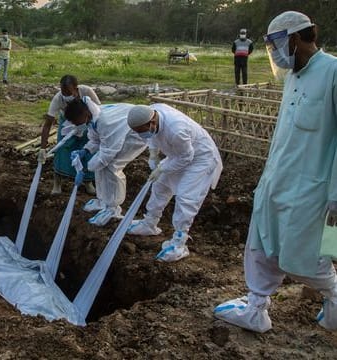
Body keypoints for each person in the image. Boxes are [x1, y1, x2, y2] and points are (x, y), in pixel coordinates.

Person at [214, 11, 337, 333]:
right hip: (276, 180)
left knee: (305, 255)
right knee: (260, 243)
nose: (276, 55)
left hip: (313, 188)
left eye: (276, 46)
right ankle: (256, 307)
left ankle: (334, 296)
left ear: (294, 40)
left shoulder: (333, 72)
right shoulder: (294, 77)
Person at [125, 104, 222, 262]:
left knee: (186, 197)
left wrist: (162, 169)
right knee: (160, 185)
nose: (141, 135)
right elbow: (153, 137)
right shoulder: (151, 112)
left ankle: (179, 242)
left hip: (200, 158)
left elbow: (186, 157)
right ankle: (150, 223)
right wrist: (153, 154)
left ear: (152, 123)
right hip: (178, 154)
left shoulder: (176, 129)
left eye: (142, 131)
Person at [67, 100, 147, 226]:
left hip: (135, 134)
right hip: (116, 135)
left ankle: (113, 208)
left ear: (83, 115)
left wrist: (86, 169)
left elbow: (107, 154)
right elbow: (96, 139)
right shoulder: (92, 117)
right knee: (100, 165)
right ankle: (103, 200)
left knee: (112, 166)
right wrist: (85, 150)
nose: (76, 125)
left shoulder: (105, 121)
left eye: (76, 122)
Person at [38, 75, 101, 195]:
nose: (66, 95)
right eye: (63, 92)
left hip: (85, 122)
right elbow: (47, 124)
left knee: (87, 152)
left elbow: (99, 110)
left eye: (68, 92)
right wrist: (42, 148)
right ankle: (57, 184)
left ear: (76, 89)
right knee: (62, 150)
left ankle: (88, 182)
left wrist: (88, 124)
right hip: (67, 124)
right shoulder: (58, 99)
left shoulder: (87, 92)